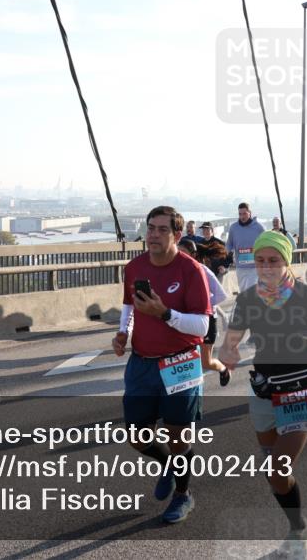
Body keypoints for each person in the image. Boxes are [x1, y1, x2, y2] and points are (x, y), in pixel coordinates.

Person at [219, 230, 307, 558]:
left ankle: (298, 530)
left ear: (287, 262)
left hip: (303, 388)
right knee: (275, 475)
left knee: (276, 470)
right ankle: (297, 524)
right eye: (260, 260)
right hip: (264, 389)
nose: (266, 267)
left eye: (274, 260)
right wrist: (227, 355)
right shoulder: (248, 299)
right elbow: (230, 342)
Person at [112, 206, 212, 524]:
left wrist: (165, 314)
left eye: (162, 229)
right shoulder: (135, 267)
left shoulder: (191, 270)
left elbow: (203, 326)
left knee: (178, 437)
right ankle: (167, 464)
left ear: (177, 235)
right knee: (137, 437)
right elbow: (129, 306)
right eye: (150, 228)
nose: (153, 235)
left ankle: (183, 494)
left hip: (180, 362)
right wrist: (123, 332)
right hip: (142, 362)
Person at [178, 239, 231, 386]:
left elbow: (221, 295)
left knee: (206, 362)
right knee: (184, 357)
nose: (180, 255)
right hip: (188, 319)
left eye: (183, 252)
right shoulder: (176, 271)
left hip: (207, 319)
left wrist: (202, 304)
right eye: (178, 252)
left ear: (193, 255)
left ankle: (223, 369)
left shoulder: (202, 270)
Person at [226, 202, 265, 293]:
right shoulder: (234, 228)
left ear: (250, 213)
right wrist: (229, 252)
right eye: (240, 214)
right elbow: (229, 244)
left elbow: (266, 243)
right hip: (240, 267)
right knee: (244, 292)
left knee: (251, 290)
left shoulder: (259, 227)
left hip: (255, 267)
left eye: (244, 214)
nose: (242, 217)